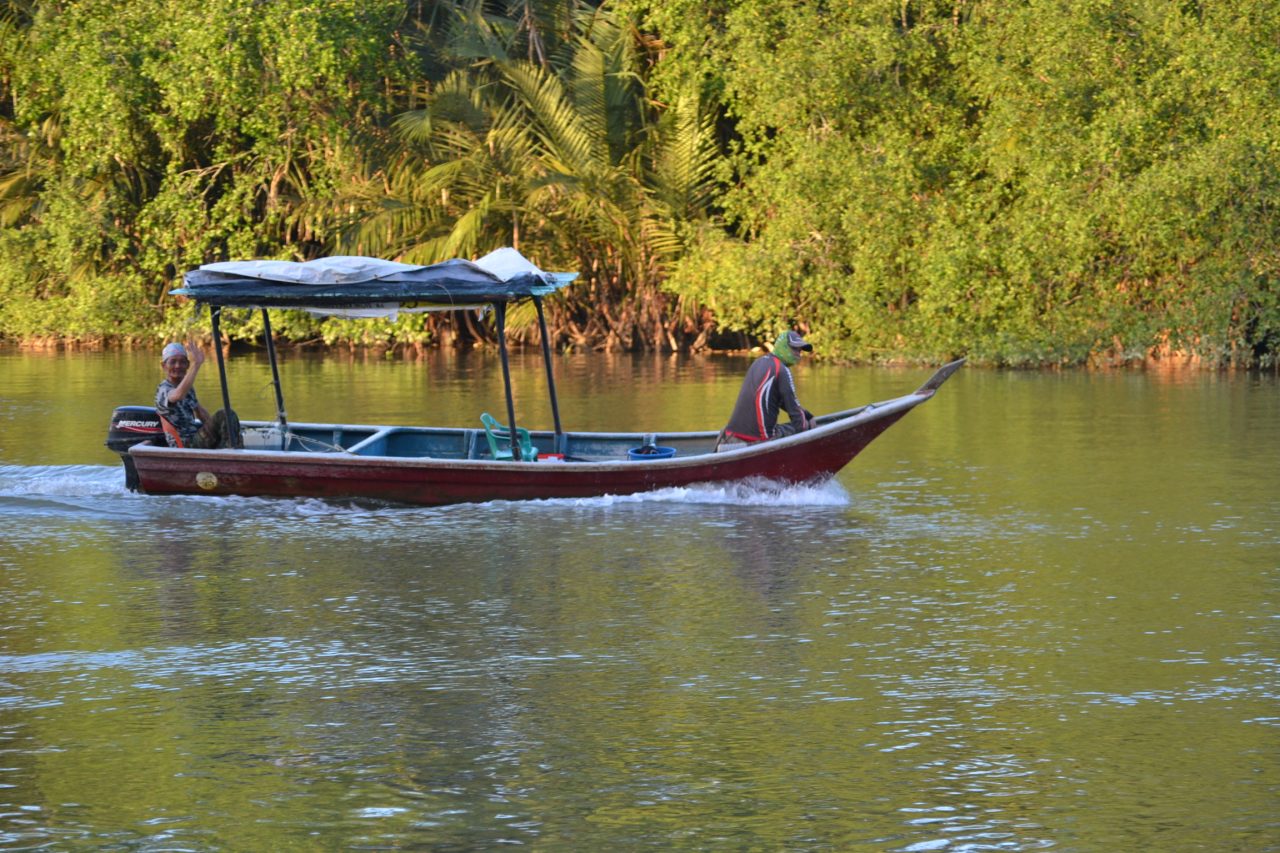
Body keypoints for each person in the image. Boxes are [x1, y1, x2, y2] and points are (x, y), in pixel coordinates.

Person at [719, 330, 814, 449]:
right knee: (805, 426)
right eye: (795, 349)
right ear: (783, 346)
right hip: (760, 440)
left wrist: (807, 415)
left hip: (730, 436)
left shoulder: (759, 362)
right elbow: (796, 416)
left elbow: (782, 401)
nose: (798, 355)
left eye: (800, 351)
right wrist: (810, 427)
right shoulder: (782, 370)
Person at [155, 340, 239, 448]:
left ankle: (233, 452)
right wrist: (196, 365)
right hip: (183, 444)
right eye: (173, 362)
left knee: (229, 418)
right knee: (223, 414)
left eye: (182, 362)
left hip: (195, 437)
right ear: (164, 365)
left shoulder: (188, 388)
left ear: (187, 365)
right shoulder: (163, 389)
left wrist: (219, 428)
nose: (178, 366)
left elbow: (200, 413)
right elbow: (177, 395)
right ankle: (230, 455)